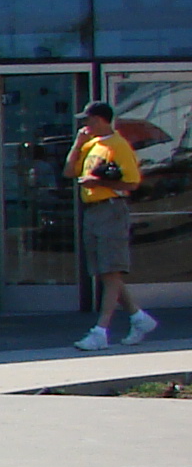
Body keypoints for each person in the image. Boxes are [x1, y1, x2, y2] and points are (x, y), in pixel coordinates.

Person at [69, 98, 156, 351]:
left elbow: (132, 183)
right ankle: (139, 318)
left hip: (111, 209)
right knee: (106, 272)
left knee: (112, 270)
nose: (85, 125)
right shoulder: (92, 145)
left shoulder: (119, 146)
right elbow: (69, 171)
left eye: (88, 119)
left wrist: (100, 184)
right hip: (93, 210)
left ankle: (101, 330)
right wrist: (77, 145)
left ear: (100, 120)